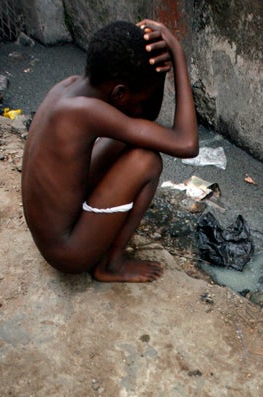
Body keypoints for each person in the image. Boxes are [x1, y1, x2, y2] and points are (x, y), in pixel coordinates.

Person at [21, 19, 198, 282]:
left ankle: (104, 249)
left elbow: (145, 121)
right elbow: (186, 144)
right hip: (68, 252)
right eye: (137, 101)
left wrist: (160, 71)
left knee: (134, 138)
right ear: (119, 93)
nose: (139, 109)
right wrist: (179, 57)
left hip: (55, 232)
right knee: (147, 161)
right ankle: (110, 264)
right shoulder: (85, 113)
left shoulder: (69, 88)